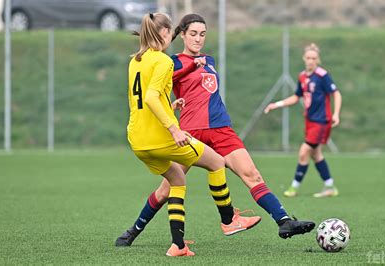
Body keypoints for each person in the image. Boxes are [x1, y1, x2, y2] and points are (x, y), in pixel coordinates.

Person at [116, 13, 315, 248]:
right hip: (190, 130)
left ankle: (283, 221)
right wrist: (189, 69)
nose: (198, 39)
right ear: (181, 35)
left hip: (220, 128)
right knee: (167, 188)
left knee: (252, 175)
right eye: (193, 34)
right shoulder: (172, 61)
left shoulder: (208, 60)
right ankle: (132, 232)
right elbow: (157, 90)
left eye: (202, 34)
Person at [120, 12, 260, 257]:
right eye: (170, 31)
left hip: (137, 139)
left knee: (175, 182)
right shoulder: (164, 61)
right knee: (217, 162)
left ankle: (176, 245)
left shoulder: (136, 60)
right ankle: (229, 221)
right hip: (161, 137)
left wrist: (171, 106)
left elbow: (142, 101)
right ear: (164, 33)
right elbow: (152, 97)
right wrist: (174, 128)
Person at [264, 43, 342, 198]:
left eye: (314, 58)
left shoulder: (322, 75)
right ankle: (330, 186)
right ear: (304, 58)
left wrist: (336, 114)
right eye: (308, 58)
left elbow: (336, 93)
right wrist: (276, 104)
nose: (311, 61)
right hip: (310, 120)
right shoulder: (302, 76)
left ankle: (294, 187)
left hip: (321, 120)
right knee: (316, 154)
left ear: (318, 59)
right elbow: (296, 97)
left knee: (304, 152)